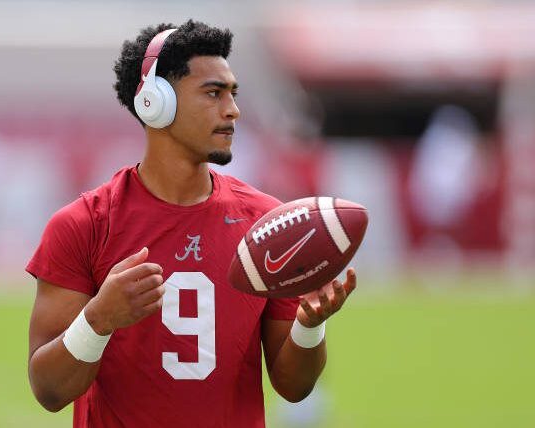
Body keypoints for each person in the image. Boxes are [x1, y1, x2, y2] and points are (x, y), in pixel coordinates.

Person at [26, 20, 357, 428]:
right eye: (213, 93)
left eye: (233, 94)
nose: (233, 109)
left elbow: (293, 386)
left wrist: (309, 326)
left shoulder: (266, 223)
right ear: (155, 102)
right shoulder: (83, 225)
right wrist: (98, 320)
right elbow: (49, 391)